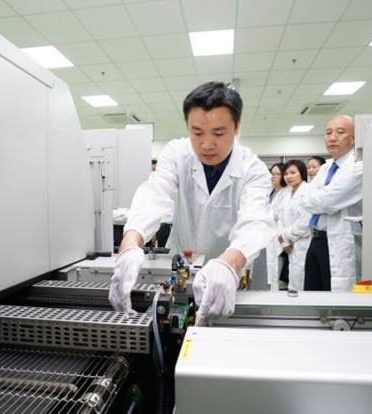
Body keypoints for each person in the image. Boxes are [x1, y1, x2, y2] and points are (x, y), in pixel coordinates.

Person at [109, 81, 275, 325]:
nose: (207, 144)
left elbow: (255, 222)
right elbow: (155, 193)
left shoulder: (253, 169)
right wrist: (130, 243)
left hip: (230, 272)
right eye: (197, 133)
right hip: (182, 270)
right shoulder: (177, 153)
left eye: (218, 133)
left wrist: (230, 265)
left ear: (237, 126)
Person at [301, 115, 362, 292]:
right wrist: (315, 198)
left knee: (334, 298)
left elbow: (327, 201)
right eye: (328, 133)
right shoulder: (326, 167)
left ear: (353, 138)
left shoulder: (358, 166)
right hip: (316, 240)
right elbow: (307, 198)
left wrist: (314, 199)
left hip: (338, 242)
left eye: (340, 132)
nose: (332, 137)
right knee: (312, 293)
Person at [277, 160, 312, 292]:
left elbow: (305, 222)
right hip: (289, 244)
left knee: (303, 279)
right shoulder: (286, 193)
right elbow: (280, 218)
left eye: (293, 172)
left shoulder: (308, 191)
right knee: (293, 279)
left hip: (303, 242)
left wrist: (286, 237)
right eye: (286, 174)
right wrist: (283, 241)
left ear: (302, 173)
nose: (288, 176)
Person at [265, 163, 289, 290]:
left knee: (276, 274)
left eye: (277, 174)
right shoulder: (269, 192)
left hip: (277, 238)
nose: (273, 176)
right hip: (265, 237)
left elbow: (282, 218)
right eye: (271, 173)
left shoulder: (286, 194)